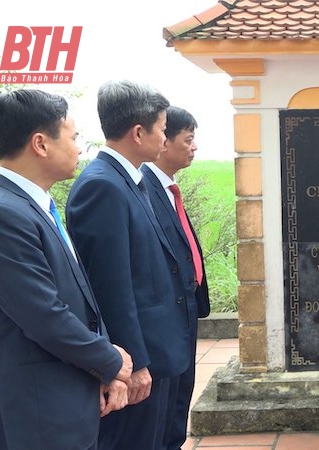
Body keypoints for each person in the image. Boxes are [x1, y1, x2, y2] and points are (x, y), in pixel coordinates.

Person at [0, 89, 132, 449]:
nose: (78, 148)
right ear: (40, 144)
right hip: (36, 410)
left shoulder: (33, 206)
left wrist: (105, 368)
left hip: (65, 396)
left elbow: (77, 298)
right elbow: (44, 314)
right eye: (73, 137)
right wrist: (110, 361)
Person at [66, 81, 191, 450]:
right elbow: (110, 286)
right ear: (139, 133)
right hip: (139, 361)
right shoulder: (102, 186)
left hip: (159, 353)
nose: (166, 138)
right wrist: (131, 364)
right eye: (163, 129)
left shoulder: (131, 181)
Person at [139, 106, 210, 450]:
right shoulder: (144, 190)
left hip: (184, 310)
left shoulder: (166, 188)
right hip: (163, 320)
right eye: (188, 139)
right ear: (163, 142)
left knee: (178, 403)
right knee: (161, 413)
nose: (194, 146)